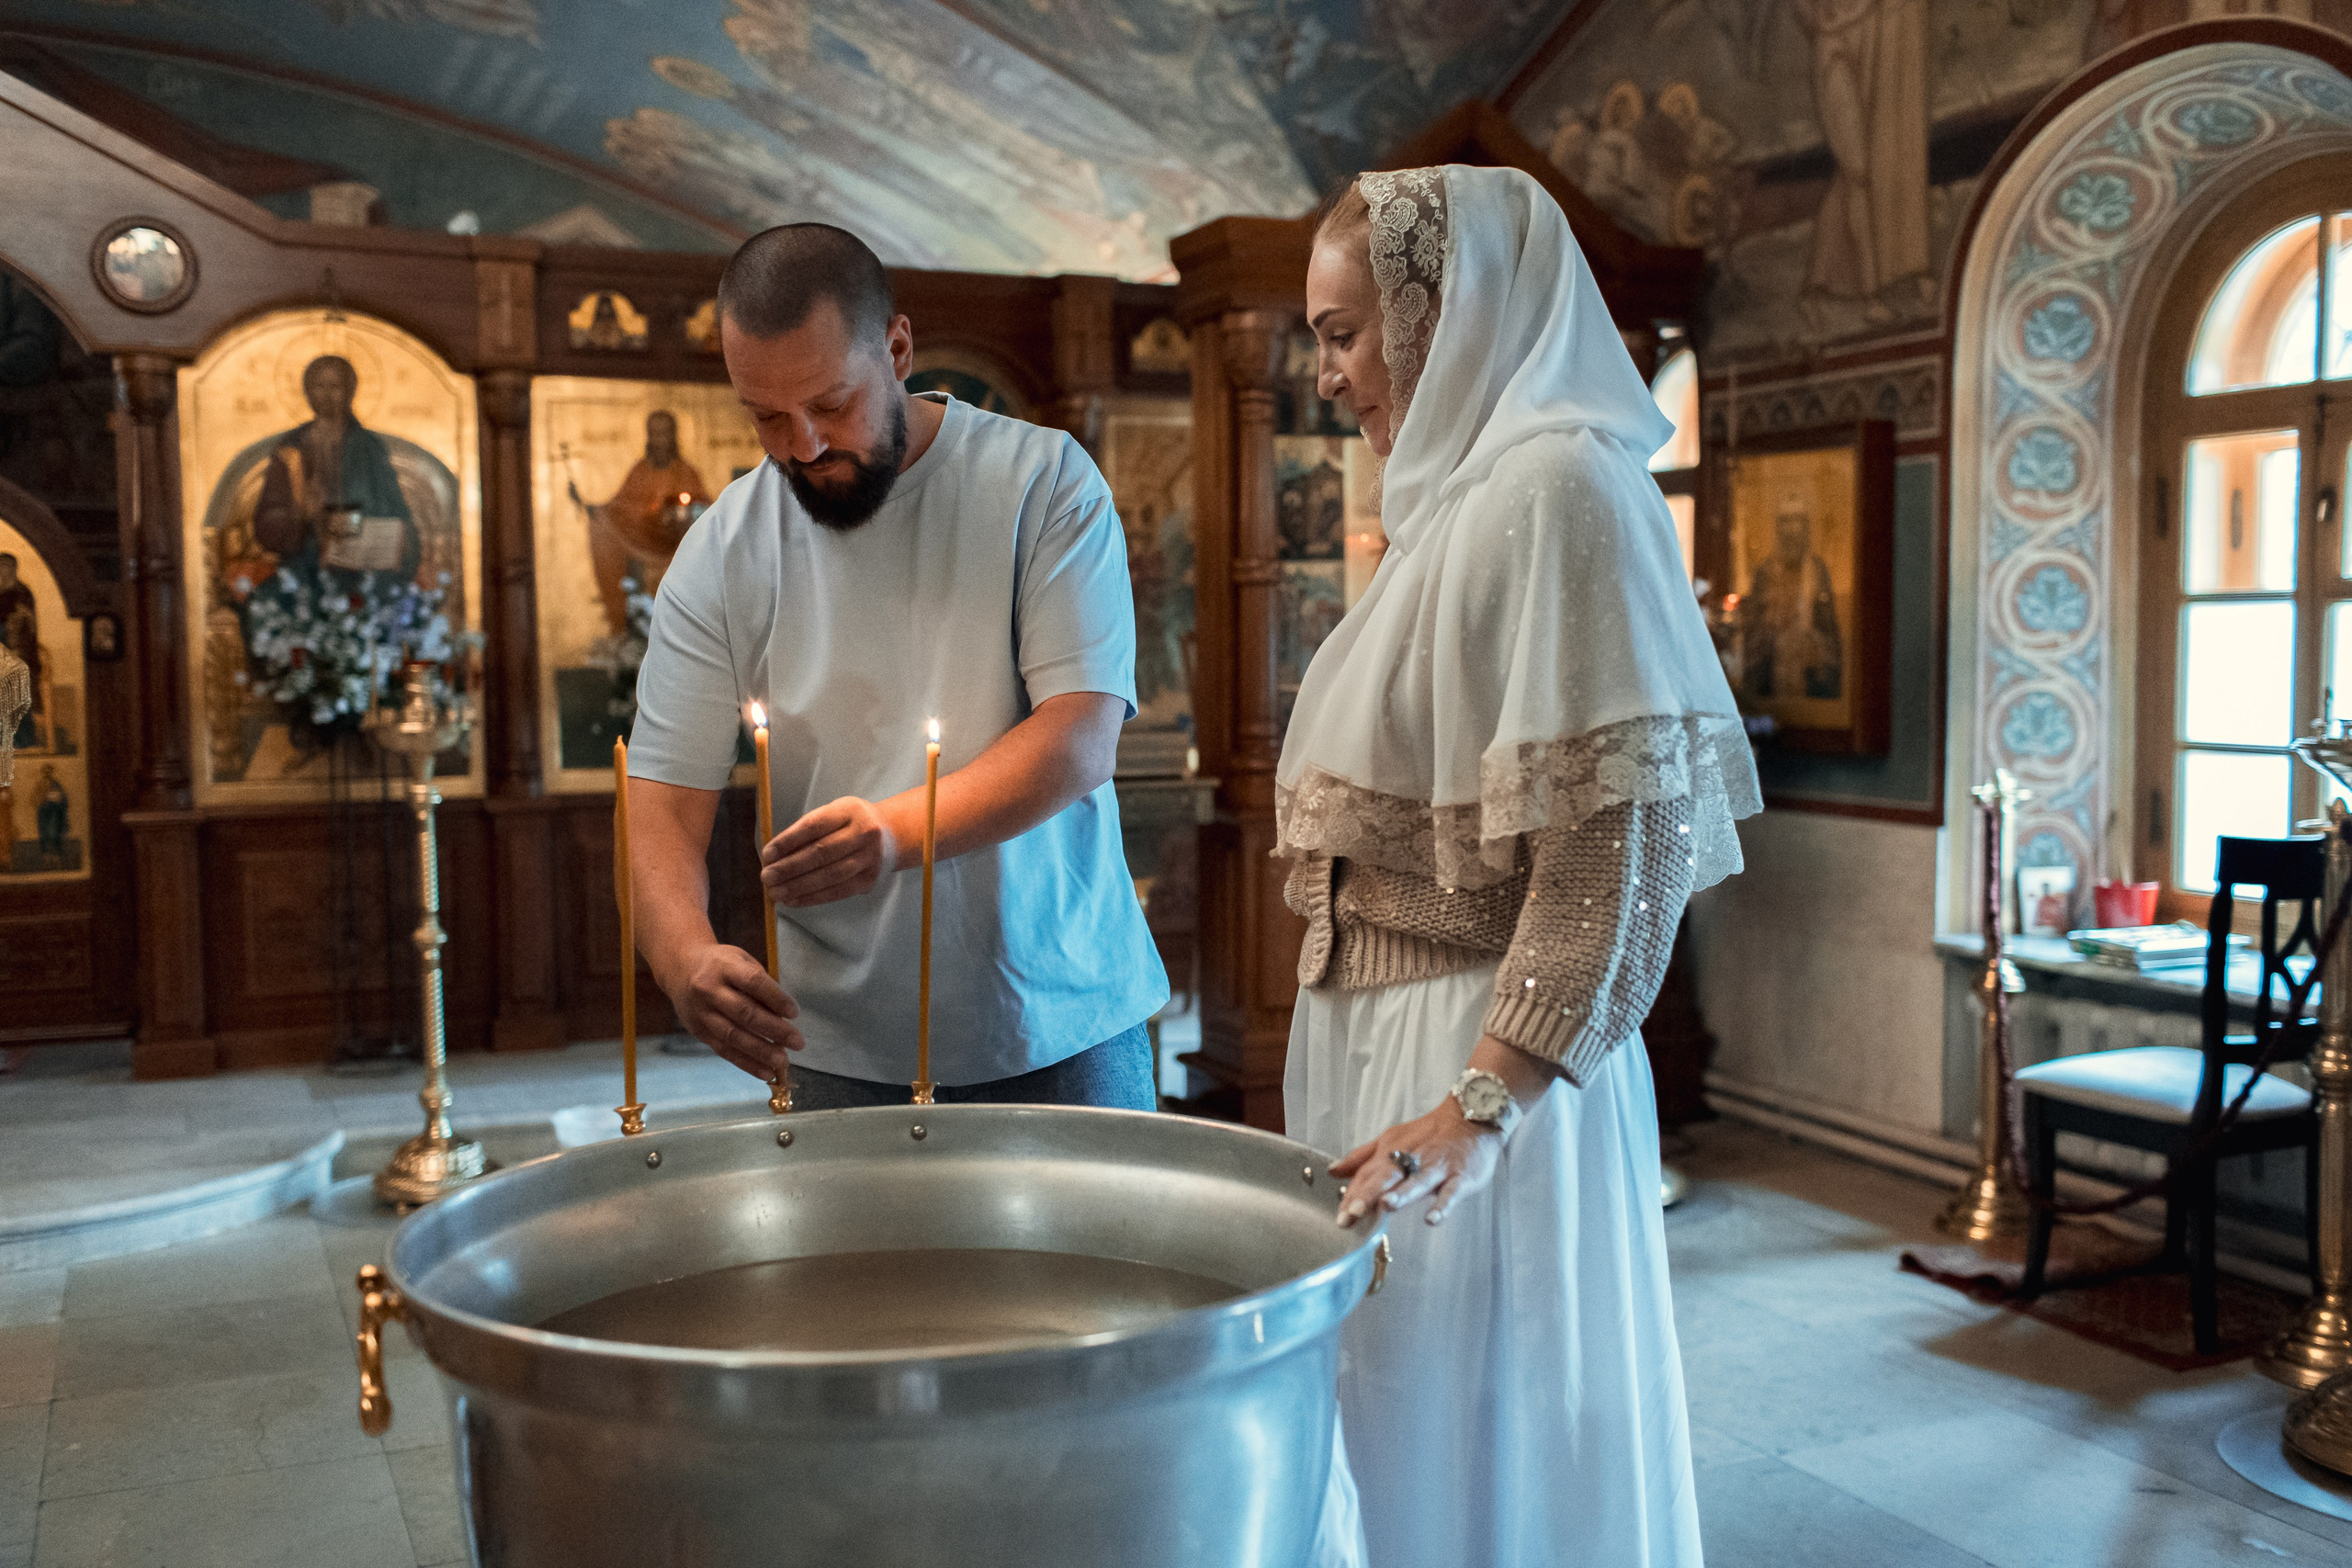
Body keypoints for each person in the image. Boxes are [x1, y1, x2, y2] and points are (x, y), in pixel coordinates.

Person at [1283, 165, 1761, 1567]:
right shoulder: (1453, 506)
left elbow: (1620, 846)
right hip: (1389, 1048)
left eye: (1345, 330)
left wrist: (1485, 1101)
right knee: (1397, 1416)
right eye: (1320, 336)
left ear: (1449, 313)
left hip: (1474, 1062)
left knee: (1481, 1419)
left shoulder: (1557, 489)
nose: (1328, 375)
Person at [626, 223, 1167, 1109]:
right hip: (837, 1037)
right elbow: (661, 794)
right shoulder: (723, 548)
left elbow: (1080, 738)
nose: (801, 444)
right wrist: (681, 953)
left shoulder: (1043, 482)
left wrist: (894, 834)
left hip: (1063, 1015)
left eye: (831, 404)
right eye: (766, 415)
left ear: (899, 348)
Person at [251, 355, 421, 584]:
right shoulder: (291, 448)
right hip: (305, 565)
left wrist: (353, 523)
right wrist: (299, 515)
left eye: (335, 386)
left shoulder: (369, 447)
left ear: (350, 391)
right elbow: (268, 517)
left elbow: (395, 512)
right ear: (308, 391)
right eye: (319, 386)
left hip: (363, 567)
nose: (327, 395)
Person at [570, 410, 708, 633]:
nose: (659, 440)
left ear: (673, 437)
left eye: (664, 434)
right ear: (648, 437)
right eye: (654, 434)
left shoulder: (687, 474)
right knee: (604, 531)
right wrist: (589, 506)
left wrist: (681, 517)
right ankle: (625, 626)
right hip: (641, 550)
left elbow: (705, 511)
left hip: (679, 550)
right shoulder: (639, 472)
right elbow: (618, 509)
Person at [1741, 495, 1844, 701]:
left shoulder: (1818, 571)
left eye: (1797, 521)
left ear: (1805, 528)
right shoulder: (1764, 573)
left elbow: (1829, 628)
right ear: (1779, 529)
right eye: (1786, 522)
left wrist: (1814, 644)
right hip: (1771, 676)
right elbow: (1752, 631)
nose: (1791, 530)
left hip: (1810, 676)